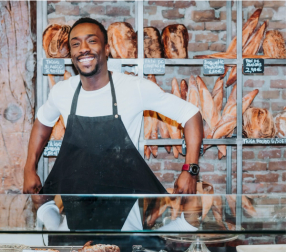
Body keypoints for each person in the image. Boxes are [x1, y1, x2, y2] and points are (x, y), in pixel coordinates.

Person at [23, 18, 203, 230]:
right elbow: (42, 123)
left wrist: (190, 170)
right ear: (71, 53)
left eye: (92, 41)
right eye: (76, 44)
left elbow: (191, 115)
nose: (84, 49)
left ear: (106, 48)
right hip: (73, 216)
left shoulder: (134, 88)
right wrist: (29, 167)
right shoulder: (62, 92)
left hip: (127, 217)